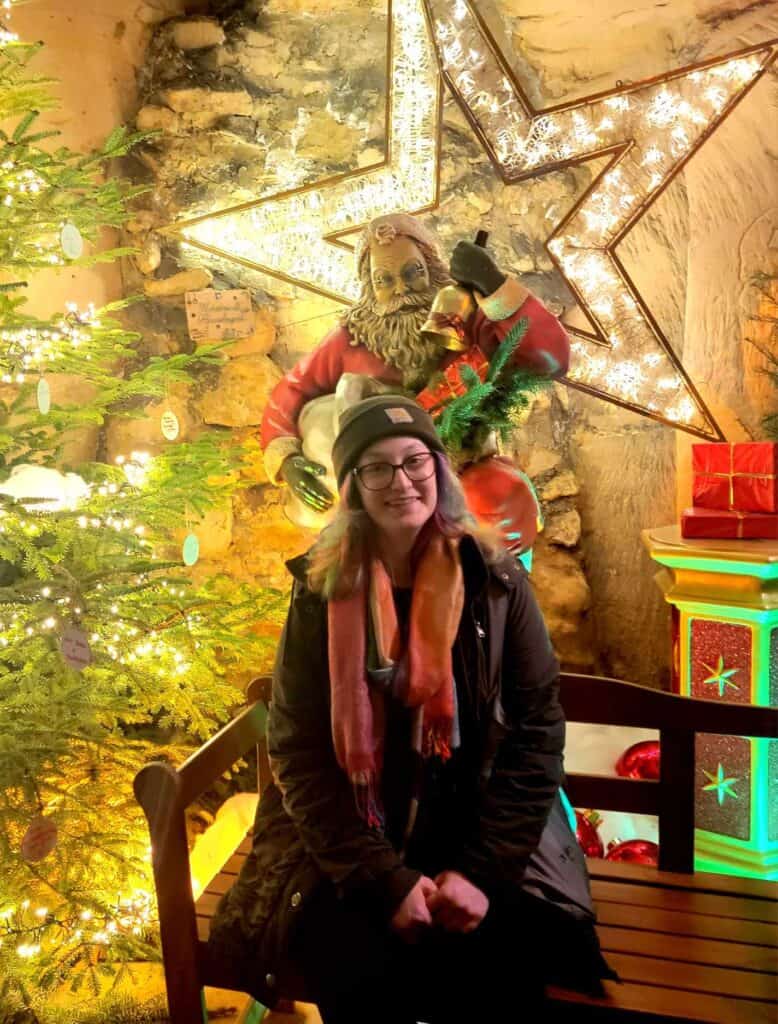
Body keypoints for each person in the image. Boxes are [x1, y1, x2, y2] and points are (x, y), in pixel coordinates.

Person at [209, 395, 612, 1022]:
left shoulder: (496, 580)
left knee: (499, 964)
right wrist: (382, 880)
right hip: (354, 835)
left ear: (438, 469)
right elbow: (297, 746)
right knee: (355, 960)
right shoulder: (320, 591)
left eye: (414, 461)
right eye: (377, 468)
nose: (401, 482)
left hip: (479, 831)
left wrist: (481, 872)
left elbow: (536, 734)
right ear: (352, 487)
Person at [260, 212, 570, 519]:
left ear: (432, 269)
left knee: (497, 500)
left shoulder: (467, 320)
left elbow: (549, 361)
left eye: (412, 273)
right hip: (380, 492)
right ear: (369, 286)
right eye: (384, 280)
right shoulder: (353, 337)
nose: (401, 290)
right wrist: (287, 459)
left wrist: (495, 286)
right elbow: (293, 391)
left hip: (462, 476)